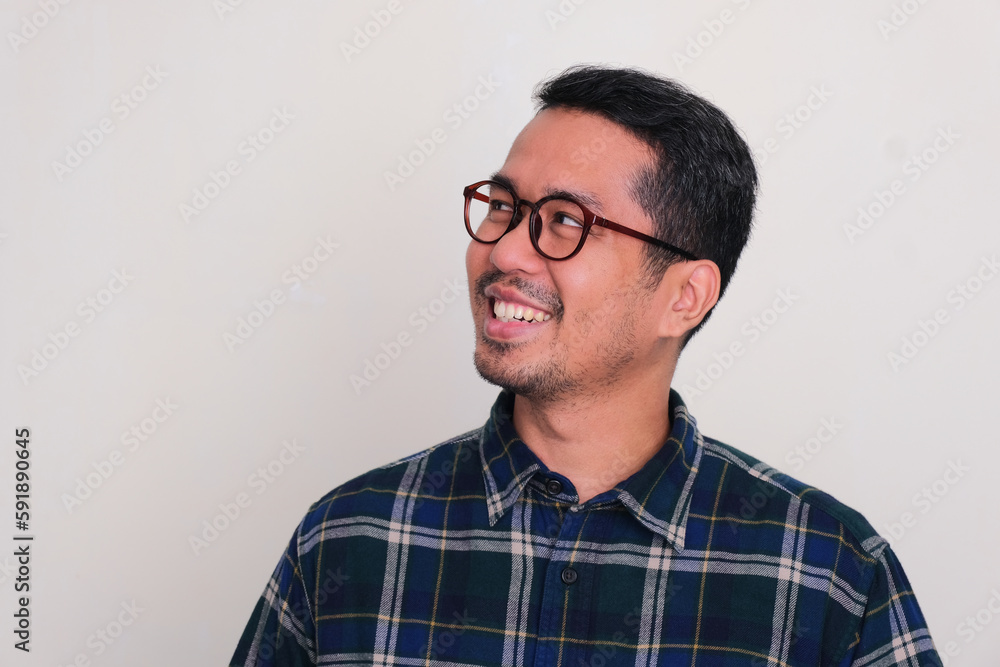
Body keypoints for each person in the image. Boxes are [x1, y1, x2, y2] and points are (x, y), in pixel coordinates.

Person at [230, 65, 940, 666]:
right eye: (502, 206)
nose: (504, 251)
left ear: (684, 297)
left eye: (566, 221)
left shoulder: (828, 573)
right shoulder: (350, 538)